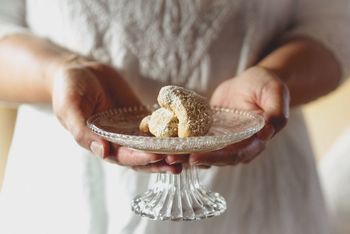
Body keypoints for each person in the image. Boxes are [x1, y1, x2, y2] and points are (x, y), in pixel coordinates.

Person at [0, 0, 349, 233]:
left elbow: (336, 21)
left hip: (259, 197)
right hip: (65, 195)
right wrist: (59, 72)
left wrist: (277, 76)